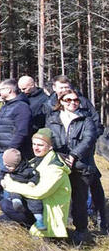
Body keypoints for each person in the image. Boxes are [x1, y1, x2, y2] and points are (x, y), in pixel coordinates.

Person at [45, 92, 106, 238]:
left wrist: (73, 155)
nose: (73, 102)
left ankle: (81, 232)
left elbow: (88, 140)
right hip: (59, 165)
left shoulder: (86, 120)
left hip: (81, 167)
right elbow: (48, 137)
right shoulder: (52, 119)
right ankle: (57, 231)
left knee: (79, 201)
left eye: (76, 100)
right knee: (58, 199)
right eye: (68, 100)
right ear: (61, 101)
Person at [0, 130, 71, 240]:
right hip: (36, 206)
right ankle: (21, 222)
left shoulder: (55, 169)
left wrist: (10, 185)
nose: (36, 148)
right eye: (34, 144)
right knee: (4, 212)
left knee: (6, 205)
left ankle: (32, 227)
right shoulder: (35, 161)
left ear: (50, 147)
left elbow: (38, 193)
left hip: (47, 213)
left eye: (40, 145)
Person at [2, 148, 46, 230]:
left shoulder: (28, 169)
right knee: (14, 194)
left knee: (35, 204)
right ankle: (17, 203)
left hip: (27, 191)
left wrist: (32, 182)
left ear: (17, 164)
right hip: (15, 191)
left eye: (9, 166)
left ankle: (39, 221)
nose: (7, 167)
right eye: (6, 165)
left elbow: (36, 175)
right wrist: (2, 180)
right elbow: (1, 174)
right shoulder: (8, 169)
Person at [0, 79, 33, 164]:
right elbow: (1, 128)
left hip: (14, 153)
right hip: (2, 151)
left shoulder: (22, 107)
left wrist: (10, 151)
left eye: (0, 89)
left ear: (9, 90)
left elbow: (22, 132)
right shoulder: (5, 107)